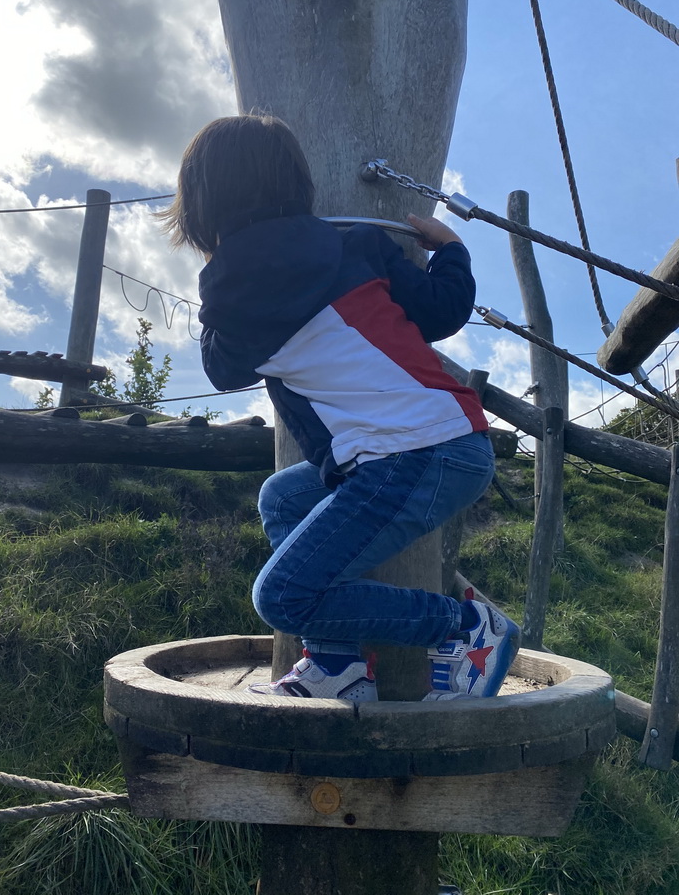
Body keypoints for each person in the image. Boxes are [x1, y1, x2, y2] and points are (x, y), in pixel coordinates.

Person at [159, 113, 520, 703]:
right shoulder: (359, 243)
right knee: (284, 496)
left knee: (284, 597)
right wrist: (451, 250)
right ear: (299, 185)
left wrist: (213, 303)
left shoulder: (231, 285)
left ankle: (467, 627)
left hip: (414, 452)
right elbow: (441, 311)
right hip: (447, 441)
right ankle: (338, 665)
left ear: (200, 205)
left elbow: (223, 370)